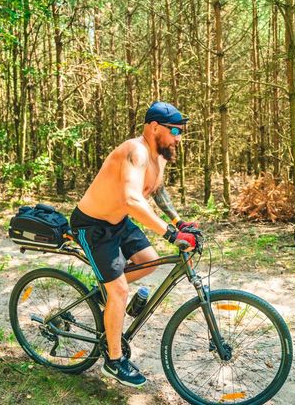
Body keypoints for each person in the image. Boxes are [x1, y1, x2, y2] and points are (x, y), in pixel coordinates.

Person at [70, 101, 200, 387]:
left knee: (149, 261)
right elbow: (131, 199)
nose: (179, 137)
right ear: (154, 127)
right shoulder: (135, 151)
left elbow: (157, 189)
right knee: (119, 290)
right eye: (175, 130)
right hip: (92, 226)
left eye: (181, 131)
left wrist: (179, 222)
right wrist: (170, 234)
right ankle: (114, 361)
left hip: (118, 221)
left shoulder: (159, 155)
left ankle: (104, 292)